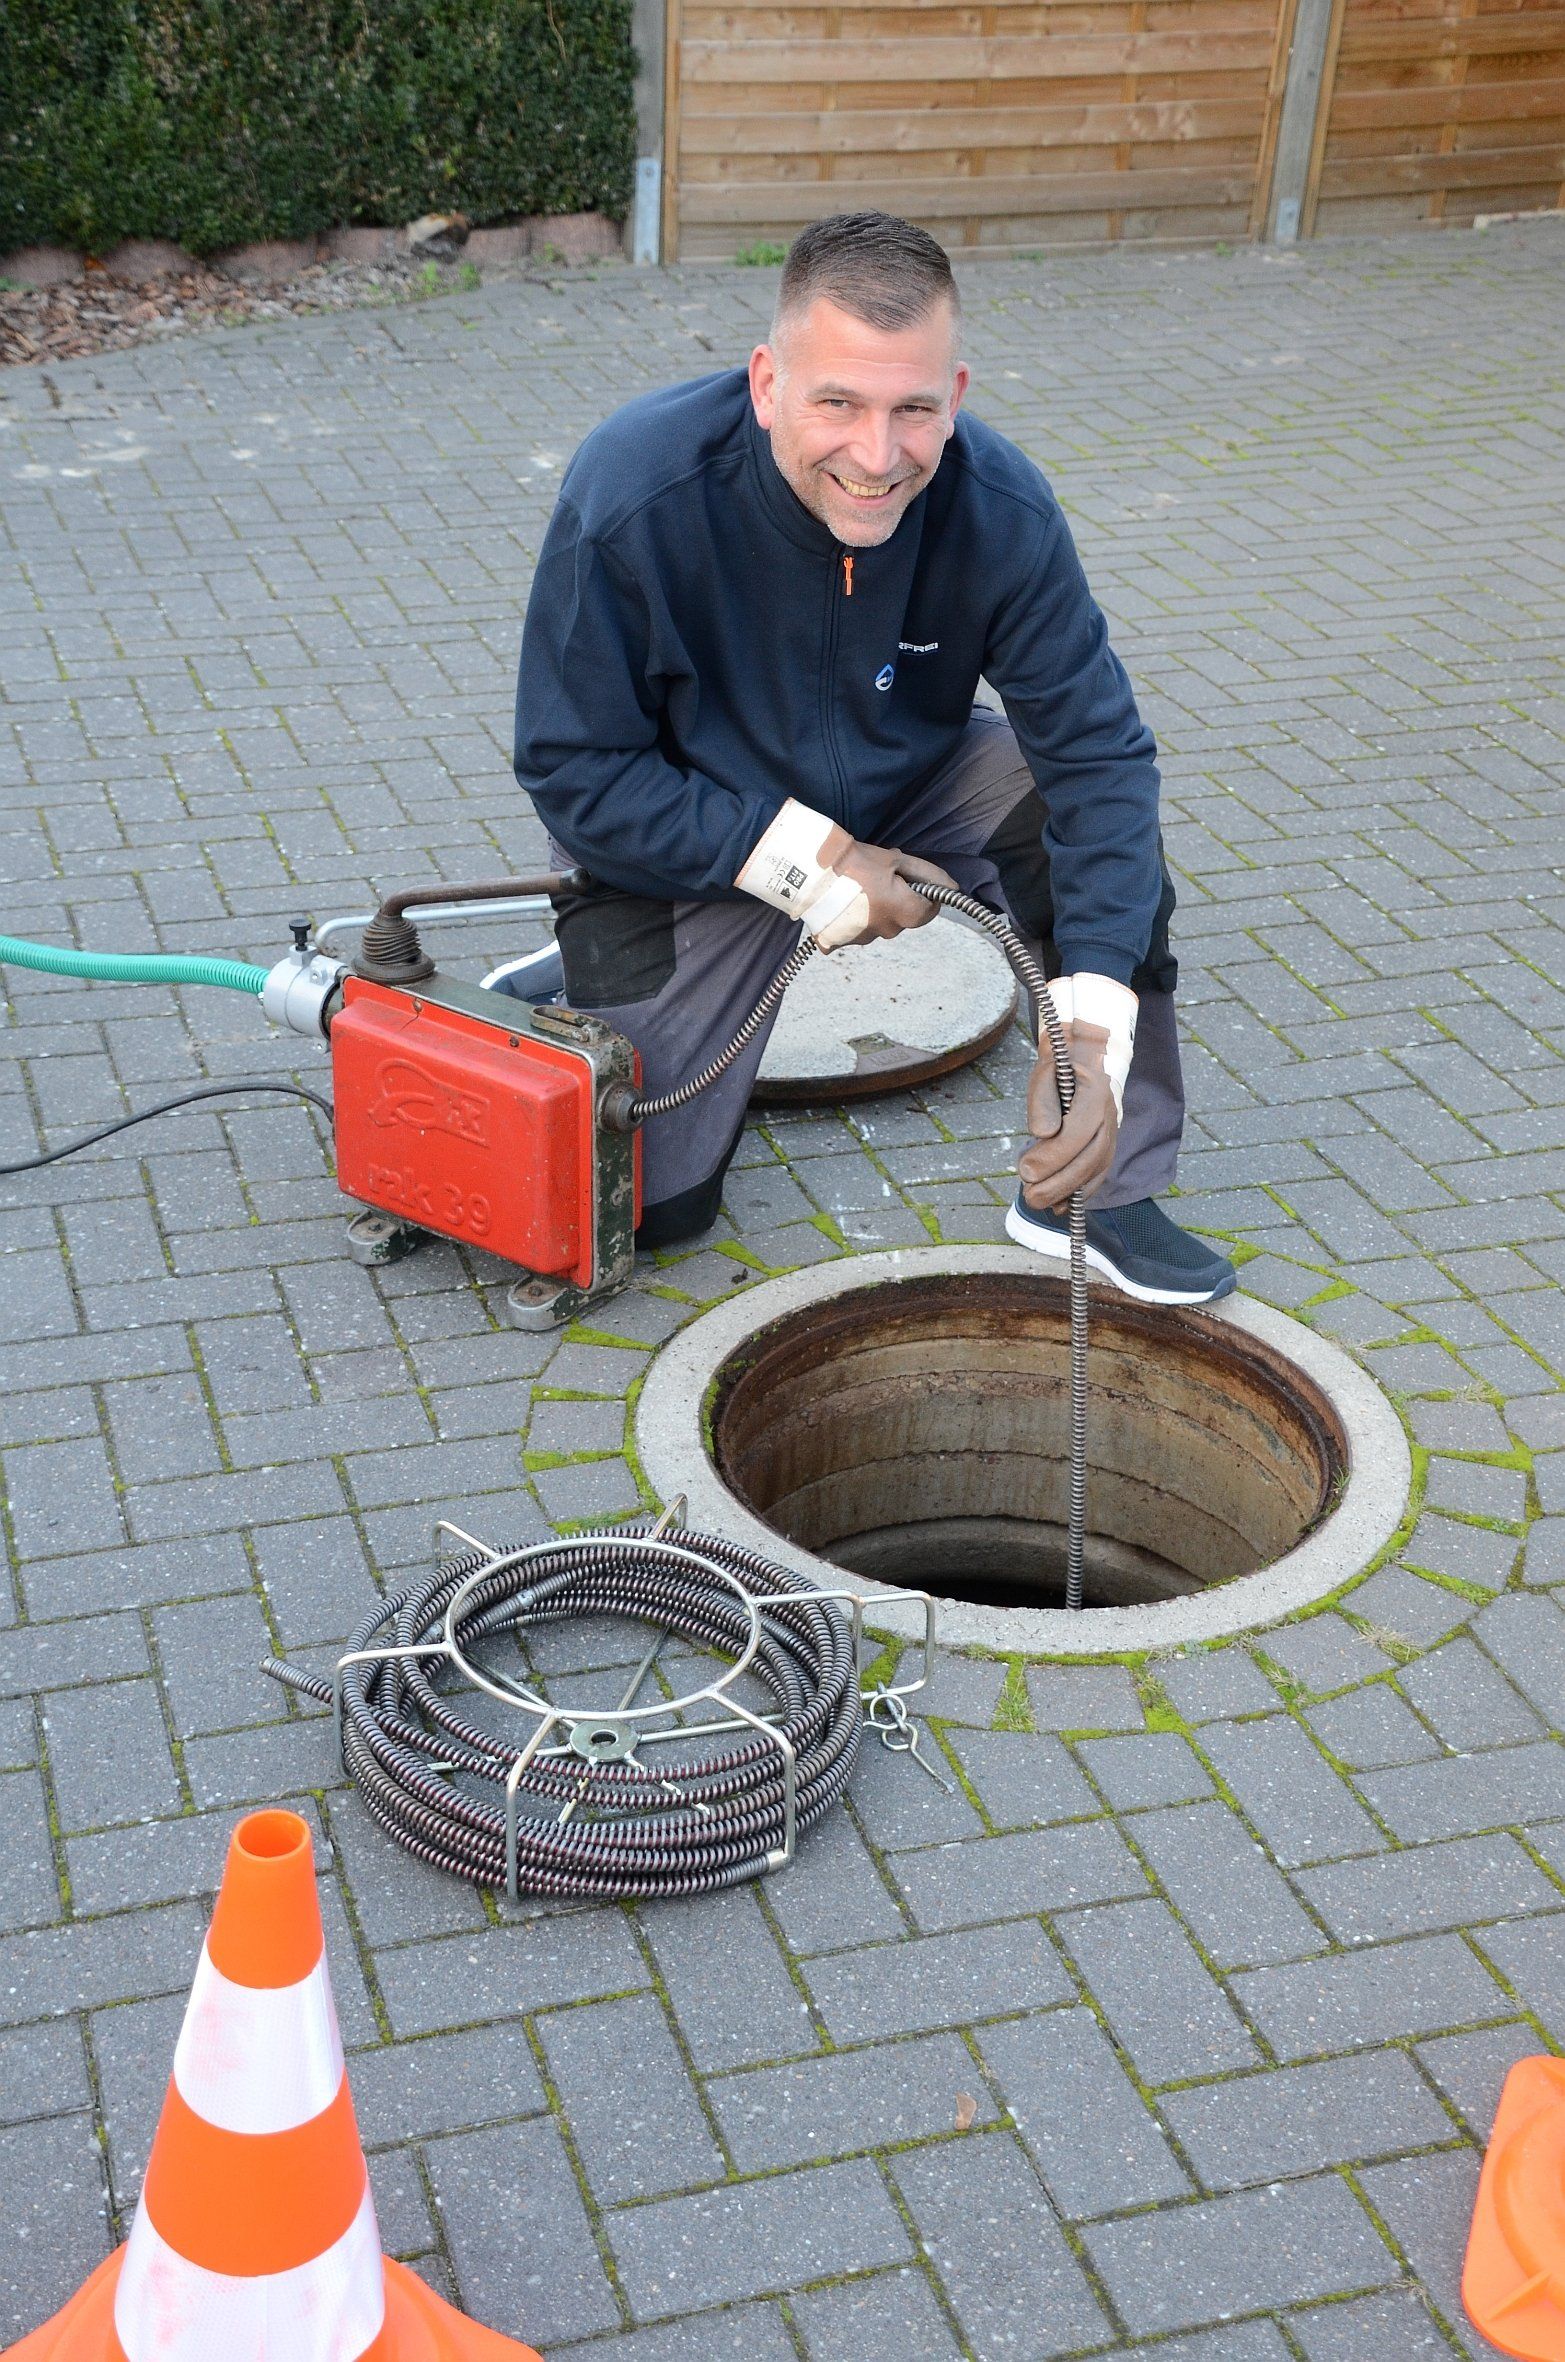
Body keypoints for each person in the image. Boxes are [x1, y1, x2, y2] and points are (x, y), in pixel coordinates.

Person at [502, 210, 1235, 1306]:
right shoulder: (634, 491)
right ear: (765, 384)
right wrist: (811, 860)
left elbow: (1100, 762)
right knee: (650, 1215)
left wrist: (1093, 1026)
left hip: (911, 781)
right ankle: (579, 970)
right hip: (689, 831)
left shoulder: (1000, 511)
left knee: (1066, 815)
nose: (876, 455)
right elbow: (571, 766)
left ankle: (1096, 1192)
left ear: (957, 396)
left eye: (912, 409)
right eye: (835, 401)